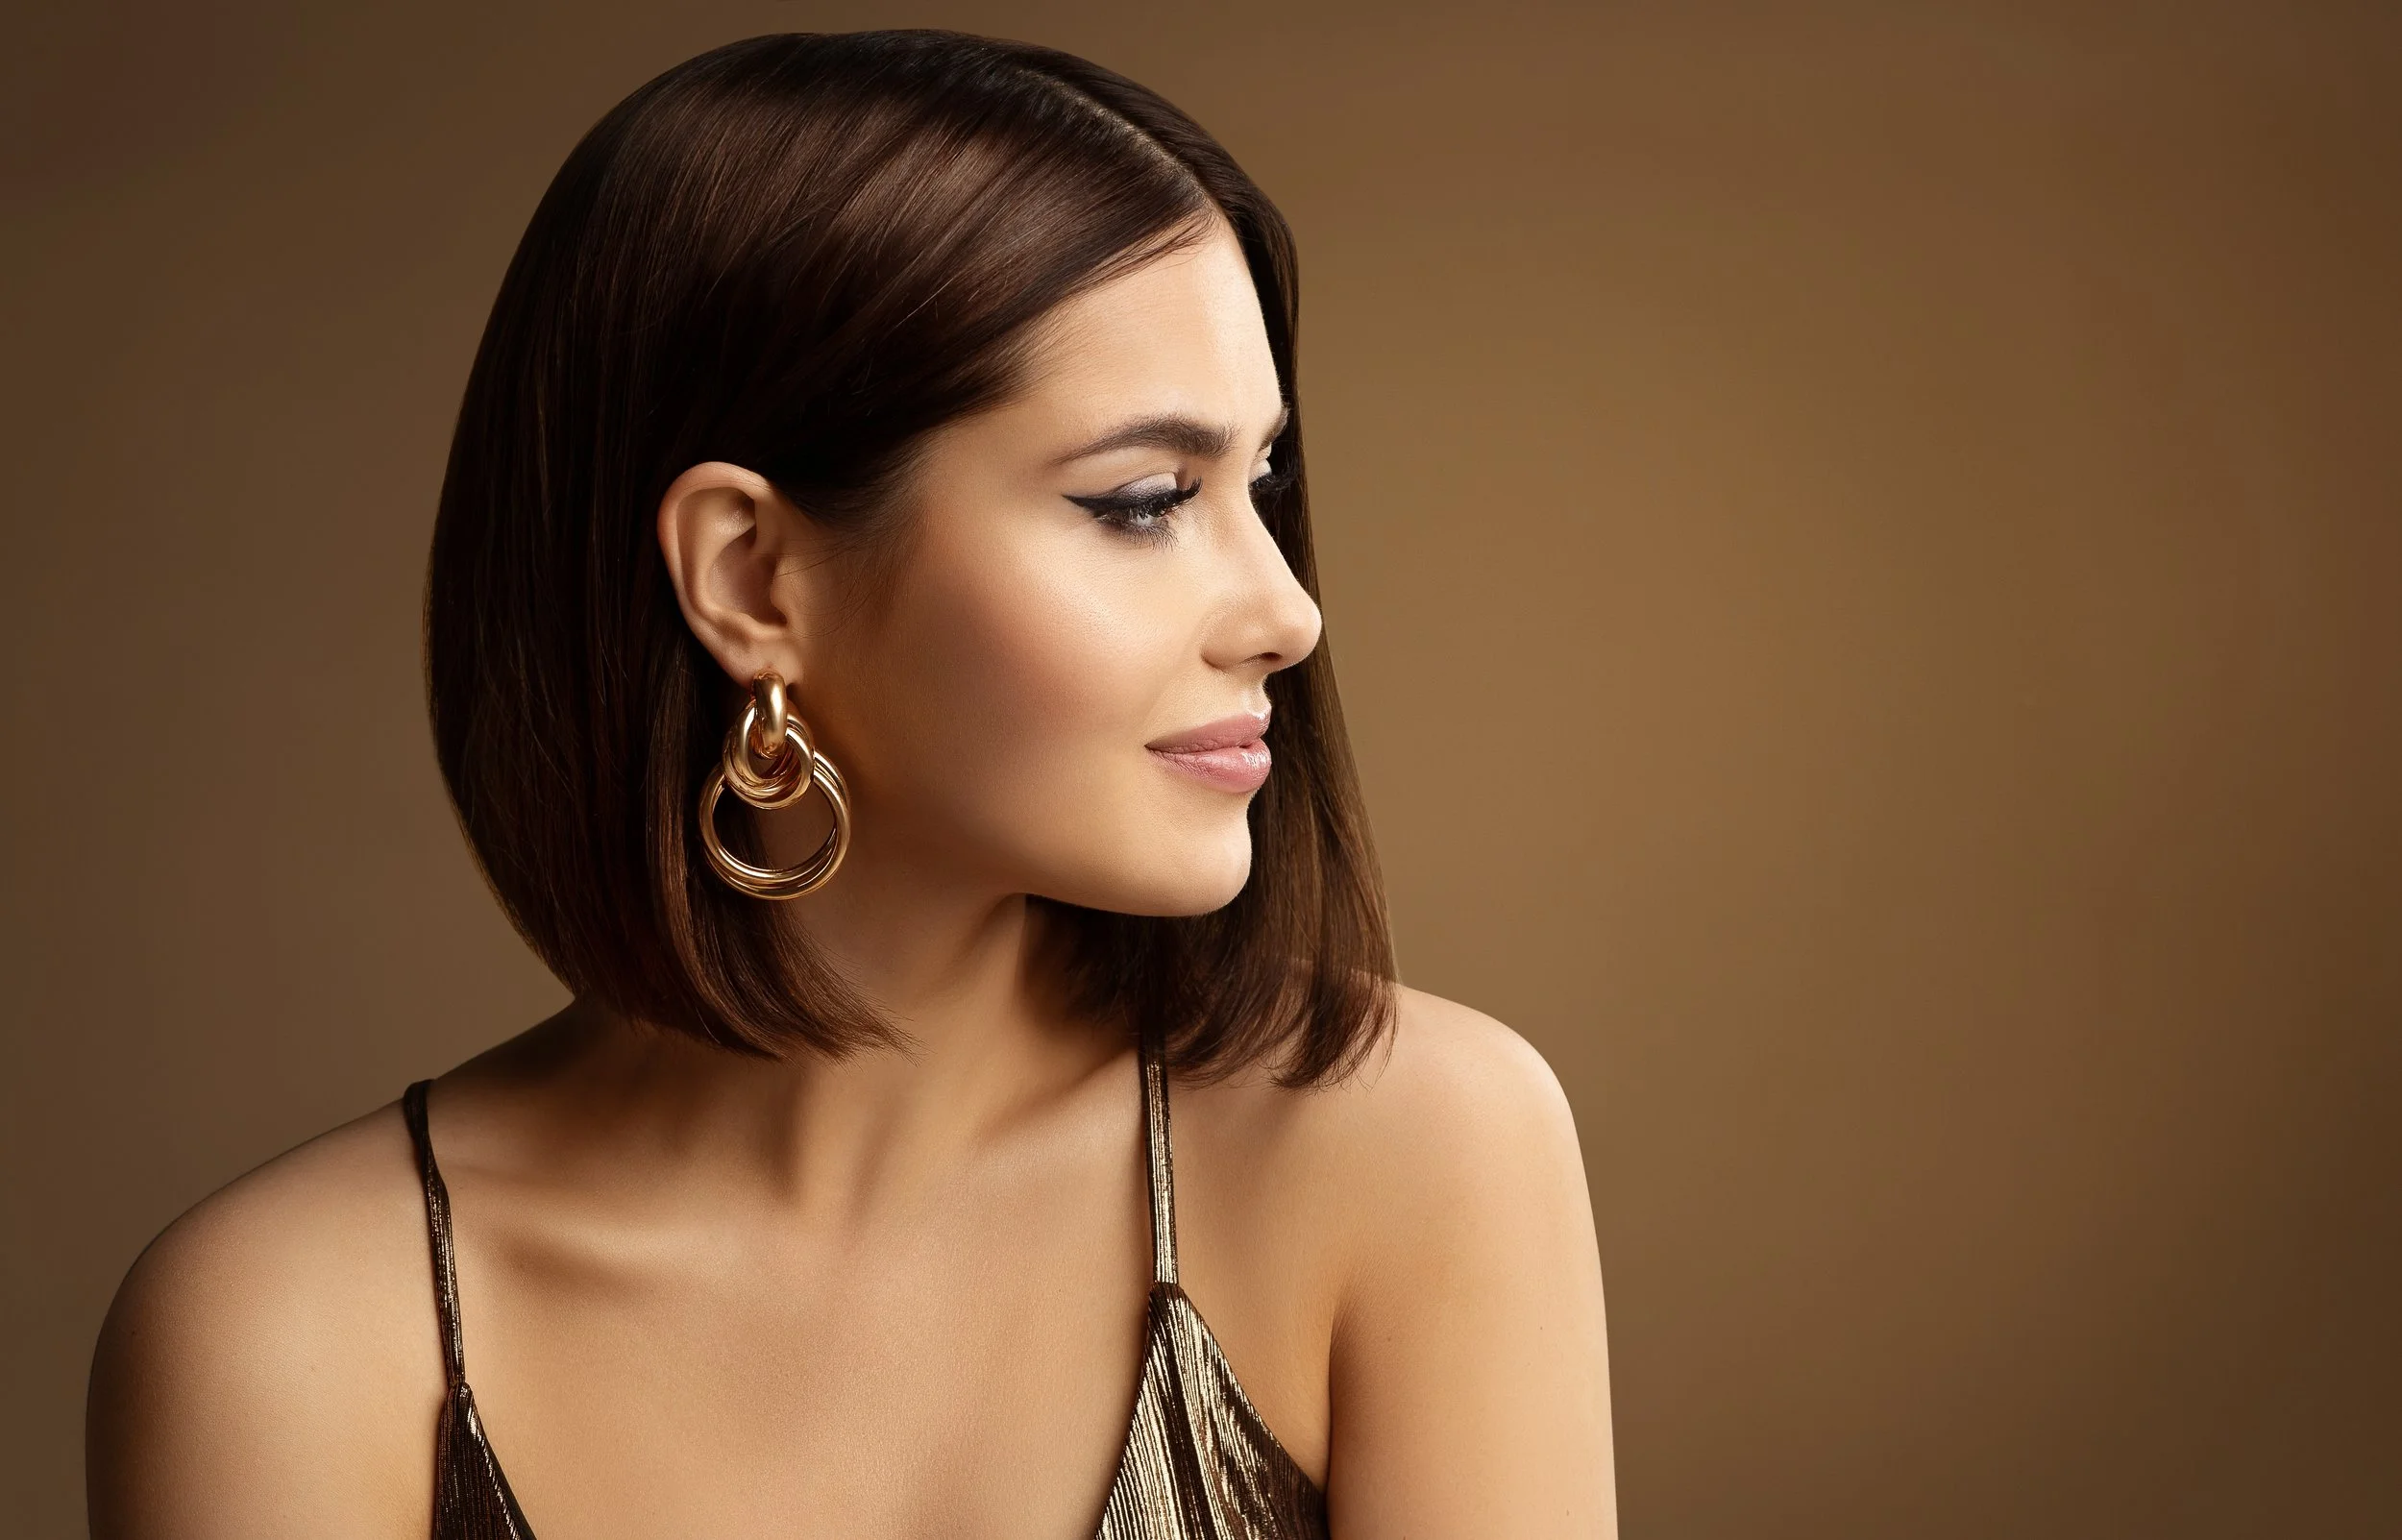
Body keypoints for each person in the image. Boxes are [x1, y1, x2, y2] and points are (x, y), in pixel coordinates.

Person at [86, 30, 1616, 1538]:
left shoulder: (1409, 1153)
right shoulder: (288, 1336)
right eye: (1144, 501)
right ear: (752, 576)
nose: (1286, 611)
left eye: (1259, 481)